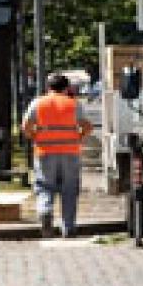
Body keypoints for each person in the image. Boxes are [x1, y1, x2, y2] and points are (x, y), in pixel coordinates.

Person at [22, 73, 93, 238]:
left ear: (48, 87)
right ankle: (68, 228)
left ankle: (45, 212)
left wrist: (35, 137)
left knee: (44, 186)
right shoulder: (73, 104)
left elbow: (26, 126)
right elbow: (87, 126)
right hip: (70, 152)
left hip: (45, 152)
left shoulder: (38, 103)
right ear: (67, 88)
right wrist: (78, 137)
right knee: (69, 190)